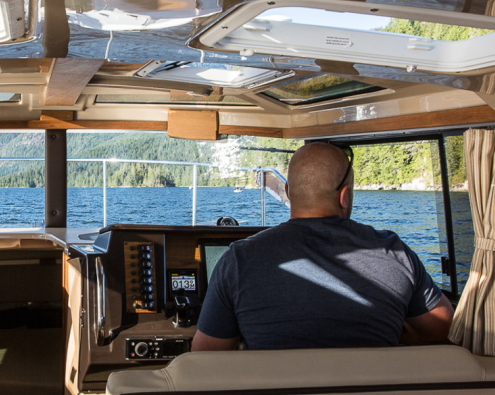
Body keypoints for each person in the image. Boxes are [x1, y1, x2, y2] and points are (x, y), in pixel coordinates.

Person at [192, 142, 454, 351]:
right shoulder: (394, 252)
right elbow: (442, 328)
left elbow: (205, 355)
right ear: (344, 196)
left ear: (288, 191)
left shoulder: (239, 258)